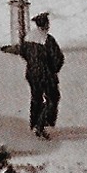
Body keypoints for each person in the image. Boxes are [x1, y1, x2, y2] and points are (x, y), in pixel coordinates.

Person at [17, 12, 65, 140]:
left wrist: (33, 63)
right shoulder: (48, 40)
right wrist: (53, 70)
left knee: (36, 98)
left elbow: (22, 53)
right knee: (53, 98)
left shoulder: (28, 38)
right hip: (46, 74)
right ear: (45, 25)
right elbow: (58, 58)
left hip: (32, 73)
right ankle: (43, 124)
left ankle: (33, 123)